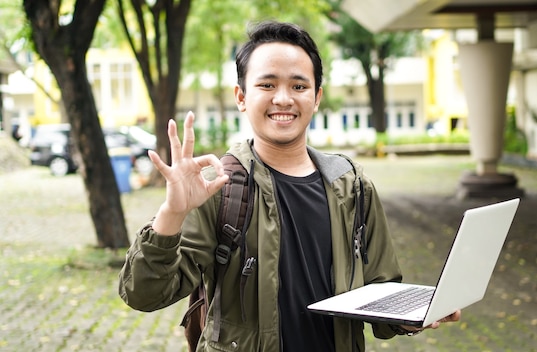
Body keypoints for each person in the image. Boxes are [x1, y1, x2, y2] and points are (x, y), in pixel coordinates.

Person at [118, 21, 460, 351]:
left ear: (317, 96)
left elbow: (380, 293)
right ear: (241, 96)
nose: (283, 99)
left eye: (298, 86)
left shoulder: (353, 186)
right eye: (267, 85)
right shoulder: (219, 187)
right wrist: (172, 213)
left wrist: (415, 313)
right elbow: (144, 294)